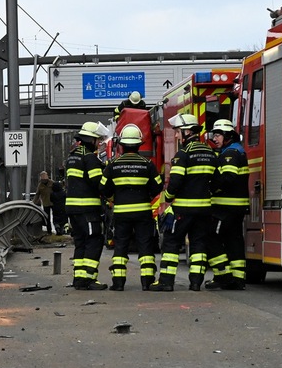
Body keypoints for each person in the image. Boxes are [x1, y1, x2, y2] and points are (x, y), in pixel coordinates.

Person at [150, 114, 217, 291]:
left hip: (183, 209)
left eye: (179, 132)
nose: (177, 136)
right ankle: (196, 283)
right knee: (199, 245)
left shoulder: (183, 155)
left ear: (187, 131)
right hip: (204, 210)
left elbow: (175, 182)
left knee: (171, 242)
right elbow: (216, 182)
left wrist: (169, 197)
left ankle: (166, 282)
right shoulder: (210, 153)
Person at [101, 124, 163, 291]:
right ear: (139, 144)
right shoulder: (147, 164)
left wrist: (113, 197)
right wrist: (147, 195)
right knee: (145, 246)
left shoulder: (113, 164)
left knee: (120, 246)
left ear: (121, 144)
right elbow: (158, 186)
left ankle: (118, 283)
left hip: (121, 213)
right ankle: (147, 281)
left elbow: (103, 187)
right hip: (143, 212)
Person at [205, 119, 250, 290]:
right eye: (214, 135)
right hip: (236, 208)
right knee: (234, 240)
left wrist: (212, 188)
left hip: (225, 208)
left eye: (217, 135)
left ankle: (223, 276)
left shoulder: (230, 153)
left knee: (211, 236)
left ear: (228, 136)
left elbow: (228, 178)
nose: (214, 138)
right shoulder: (237, 150)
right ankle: (238, 279)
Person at [65, 121, 110, 290]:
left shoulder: (72, 155)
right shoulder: (90, 158)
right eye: (98, 140)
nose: (99, 144)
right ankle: (89, 279)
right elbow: (98, 183)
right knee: (94, 240)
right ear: (91, 140)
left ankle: (79, 279)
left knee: (80, 242)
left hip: (72, 208)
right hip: (87, 209)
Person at [32, 171, 54, 235]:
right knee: (47, 218)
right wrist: (33, 203)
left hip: (53, 202)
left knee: (56, 217)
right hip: (45, 203)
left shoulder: (52, 183)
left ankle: (58, 230)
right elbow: (37, 194)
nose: (44, 180)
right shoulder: (40, 185)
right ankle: (49, 231)